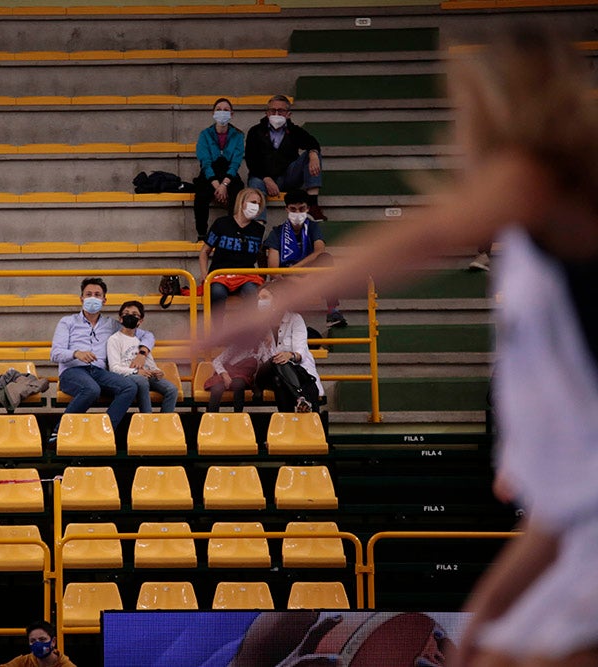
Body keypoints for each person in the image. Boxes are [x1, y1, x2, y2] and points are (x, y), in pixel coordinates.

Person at [208, 27, 598, 667]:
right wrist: (490, 614)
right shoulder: (533, 240)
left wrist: (269, 307)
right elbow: (559, 521)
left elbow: (430, 232)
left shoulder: (548, 189)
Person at [50, 278, 152, 430]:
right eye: (88, 294)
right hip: (72, 372)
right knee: (92, 390)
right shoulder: (67, 322)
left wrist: (142, 353)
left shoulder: (111, 324)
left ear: (104, 300)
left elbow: (147, 335)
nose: (93, 298)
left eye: (97, 295)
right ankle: (60, 431)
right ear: (81, 298)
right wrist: (76, 353)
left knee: (129, 387)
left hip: (99, 372)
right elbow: (55, 353)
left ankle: (105, 430)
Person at [264, 188, 346, 327]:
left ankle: (332, 311)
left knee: (326, 258)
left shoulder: (313, 227)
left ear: (307, 209)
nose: (297, 213)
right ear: (286, 209)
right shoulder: (277, 232)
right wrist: (295, 278)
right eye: (293, 209)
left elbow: (319, 251)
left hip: (307, 274)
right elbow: (273, 269)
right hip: (285, 280)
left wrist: (295, 268)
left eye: (301, 209)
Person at [245, 94, 326, 221]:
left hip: (288, 177)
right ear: (267, 113)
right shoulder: (255, 131)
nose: (276, 114)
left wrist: (313, 153)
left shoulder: (294, 131)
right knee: (255, 186)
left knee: (313, 154)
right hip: (262, 178)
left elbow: (312, 142)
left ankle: (313, 205)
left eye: (281, 111)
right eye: (273, 110)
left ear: (288, 114)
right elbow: (251, 159)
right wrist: (266, 178)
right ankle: (257, 227)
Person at [198, 187, 267, 331]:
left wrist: (263, 277)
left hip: (246, 276)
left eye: (258, 204)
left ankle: (247, 333)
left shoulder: (258, 229)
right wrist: (205, 274)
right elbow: (204, 251)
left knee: (251, 293)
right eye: (253, 202)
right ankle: (216, 332)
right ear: (242, 203)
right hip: (220, 274)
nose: (256, 206)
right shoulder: (221, 224)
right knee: (217, 293)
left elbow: (260, 255)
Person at [254, 284, 325, 413]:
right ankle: (300, 397)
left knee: (281, 382)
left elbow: (300, 351)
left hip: (291, 373)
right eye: (258, 299)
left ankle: (292, 422)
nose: (260, 302)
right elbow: (253, 356)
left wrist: (290, 355)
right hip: (265, 373)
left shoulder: (295, 319)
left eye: (264, 298)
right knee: (278, 361)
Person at [107, 300, 179, 413]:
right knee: (142, 381)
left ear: (140, 321)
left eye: (135, 315)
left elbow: (150, 363)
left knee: (172, 389)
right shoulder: (114, 339)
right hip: (127, 376)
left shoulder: (141, 341)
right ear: (120, 318)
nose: (130, 316)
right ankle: (147, 419)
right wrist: (136, 372)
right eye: (126, 314)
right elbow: (114, 368)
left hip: (146, 374)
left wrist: (157, 371)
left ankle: (165, 421)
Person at [193, 97, 246, 241]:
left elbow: (236, 163)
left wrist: (225, 184)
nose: (222, 113)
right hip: (210, 174)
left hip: (229, 173)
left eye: (226, 110)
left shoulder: (238, 135)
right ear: (213, 113)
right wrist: (217, 185)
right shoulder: (205, 134)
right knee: (200, 197)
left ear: (232, 114)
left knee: (237, 195)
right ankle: (202, 234)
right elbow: (205, 162)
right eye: (219, 110)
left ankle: (231, 234)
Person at [204, 335, 273, 413]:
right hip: (228, 374)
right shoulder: (236, 346)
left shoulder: (261, 347)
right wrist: (224, 375)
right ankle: (212, 418)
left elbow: (267, 364)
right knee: (217, 389)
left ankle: (238, 416)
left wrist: (269, 348)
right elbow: (217, 361)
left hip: (244, 377)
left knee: (239, 383)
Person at [0, 620, 77, 667]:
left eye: (42, 639)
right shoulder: (23, 662)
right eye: (33, 641)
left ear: (53, 642)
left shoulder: (65, 665)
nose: (37, 644)